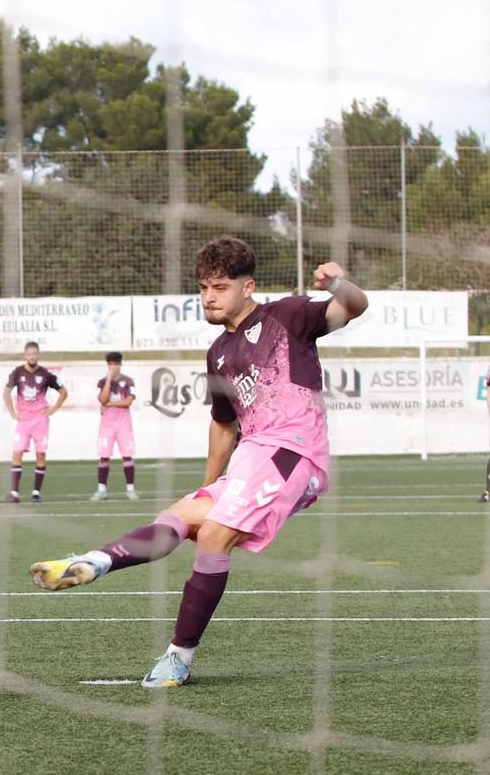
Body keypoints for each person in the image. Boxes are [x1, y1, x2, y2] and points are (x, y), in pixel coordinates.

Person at [29, 238, 367, 688]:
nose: (209, 296)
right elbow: (224, 426)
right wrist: (208, 489)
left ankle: (179, 658)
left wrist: (339, 282)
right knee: (182, 516)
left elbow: (354, 306)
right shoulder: (218, 354)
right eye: (204, 287)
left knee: (213, 535)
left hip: (295, 452)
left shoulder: (288, 315)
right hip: (252, 458)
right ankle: (94, 562)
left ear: (249, 287)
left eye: (220, 287)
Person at [3, 341, 66, 504]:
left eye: (34, 354)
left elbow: (63, 392)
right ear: (25, 355)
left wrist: (53, 409)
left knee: (40, 455)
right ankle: (14, 493)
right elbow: (7, 392)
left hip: (40, 420)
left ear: (38, 355)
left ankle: (36, 493)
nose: (32, 356)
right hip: (24, 419)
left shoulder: (45, 374)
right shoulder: (17, 372)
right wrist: (12, 412)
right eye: (29, 354)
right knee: (17, 453)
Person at [95, 351, 137, 500]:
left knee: (127, 456)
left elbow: (128, 401)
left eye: (116, 364)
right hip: (107, 424)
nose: (113, 367)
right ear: (107, 365)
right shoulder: (102, 382)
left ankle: (130, 489)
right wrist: (108, 380)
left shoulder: (128, 381)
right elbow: (102, 399)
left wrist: (109, 404)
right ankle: (102, 490)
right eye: (110, 364)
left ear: (120, 364)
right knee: (104, 457)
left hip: (124, 424)